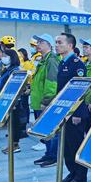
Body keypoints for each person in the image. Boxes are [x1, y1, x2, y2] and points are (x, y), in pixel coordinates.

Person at [56, 33, 88, 182]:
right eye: (56, 42)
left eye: (59, 42)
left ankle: (80, 176)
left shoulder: (77, 64)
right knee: (67, 146)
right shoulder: (62, 62)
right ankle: (72, 171)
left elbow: (81, 90)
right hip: (64, 110)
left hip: (74, 112)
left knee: (75, 144)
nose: (56, 45)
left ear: (70, 45)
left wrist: (77, 113)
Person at [31, 34, 60, 166]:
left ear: (49, 44)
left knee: (51, 130)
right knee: (44, 130)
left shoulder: (51, 60)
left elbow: (51, 83)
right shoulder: (43, 60)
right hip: (38, 102)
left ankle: (53, 156)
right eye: (37, 42)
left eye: (41, 42)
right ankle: (48, 153)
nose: (38, 45)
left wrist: (47, 101)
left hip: (45, 103)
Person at [0, 49, 23, 154]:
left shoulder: (16, 70)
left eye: (5, 56)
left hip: (13, 101)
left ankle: (15, 145)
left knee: (14, 124)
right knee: (10, 124)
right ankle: (11, 144)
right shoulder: (8, 69)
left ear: (12, 58)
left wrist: (14, 102)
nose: (3, 58)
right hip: (6, 100)